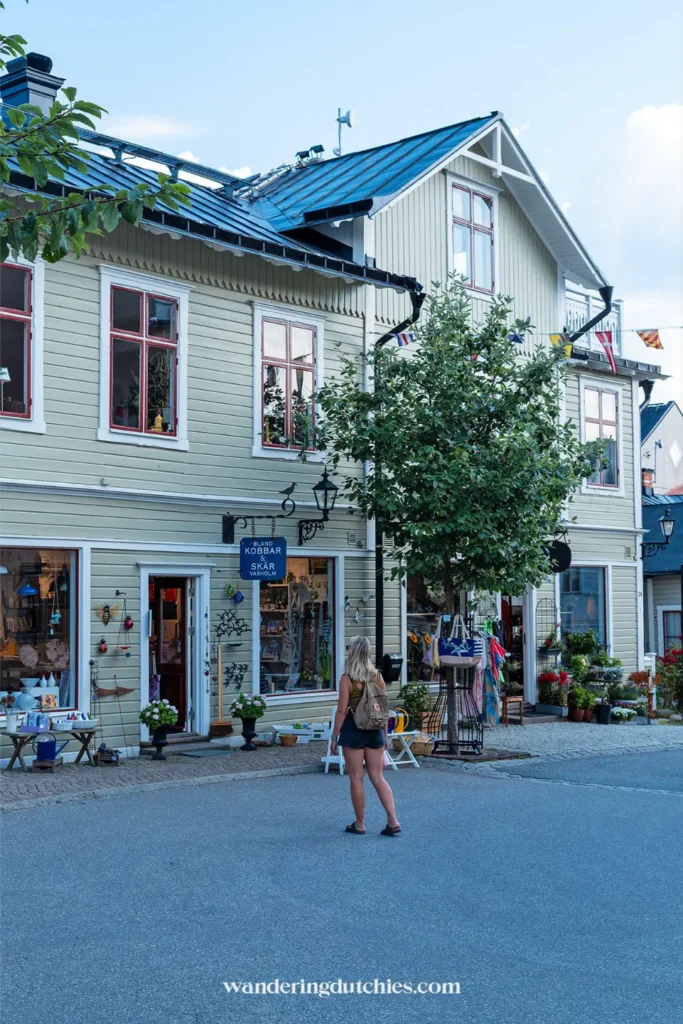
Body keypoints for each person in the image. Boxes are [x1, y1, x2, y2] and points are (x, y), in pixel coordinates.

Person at [330, 636, 401, 836]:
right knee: (378, 776)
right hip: (376, 729)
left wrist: (335, 736)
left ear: (352, 652)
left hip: (354, 728)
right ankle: (392, 820)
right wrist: (385, 735)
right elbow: (383, 707)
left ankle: (360, 824)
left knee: (356, 777)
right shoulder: (377, 676)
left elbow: (342, 710)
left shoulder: (347, 678)